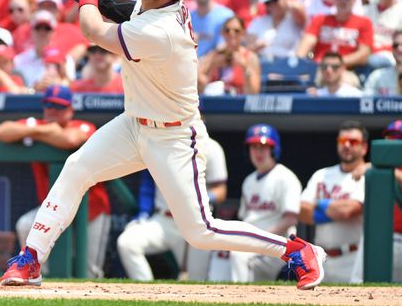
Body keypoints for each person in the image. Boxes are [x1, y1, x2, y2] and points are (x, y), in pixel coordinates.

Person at [0, 0, 326, 289]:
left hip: (174, 136)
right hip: (133, 124)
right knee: (77, 168)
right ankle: (31, 258)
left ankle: (297, 250)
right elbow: (131, 11)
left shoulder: (162, 31)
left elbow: (93, 31)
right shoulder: (156, 7)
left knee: (201, 231)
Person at [0, 85, 111, 279]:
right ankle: (36, 274)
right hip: (53, 209)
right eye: (49, 105)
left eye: (59, 107)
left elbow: (70, 139)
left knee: (90, 272)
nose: (53, 111)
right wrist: (45, 129)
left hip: (91, 210)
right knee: (25, 224)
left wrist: (36, 131)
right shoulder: (39, 126)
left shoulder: (82, 125)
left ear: (70, 110)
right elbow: (1, 131)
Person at [117, 137, 228, 282]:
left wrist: (199, 199)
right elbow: (148, 183)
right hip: (163, 220)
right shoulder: (158, 143)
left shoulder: (211, 147)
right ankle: (147, 293)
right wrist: (143, 214)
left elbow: (221, 191)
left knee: (196, 281)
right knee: (127, 243)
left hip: (195, 221)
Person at [351, 121, 402, 282]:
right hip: (393, 239)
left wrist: (375, 168)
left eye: (399, 137)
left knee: (371, 244)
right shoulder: (385, 167)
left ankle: (356, 286)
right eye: (389, 136)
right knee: (394, 287)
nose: (392, 140)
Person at [230, 125, 301, 283]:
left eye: (263, 147)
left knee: (239, 256)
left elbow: (290, 219)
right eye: (254, 147)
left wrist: (262, 239)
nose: (258, 152)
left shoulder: (285, 177)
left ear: (273, 150)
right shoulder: (248, 181)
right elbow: (244, 218)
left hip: (279, 245)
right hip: (254, 244)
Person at [299, 121, 367, 283]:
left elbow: (349, 210)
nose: (347, 145)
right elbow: (301, 211)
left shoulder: (367, 175)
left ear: (364, 147)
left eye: (353, 142)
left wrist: (318, 205)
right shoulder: (321, 174)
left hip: (352, 256)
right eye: (342, 141)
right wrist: (334, 209)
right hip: (321, 258)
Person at [296, 0, 373, 69]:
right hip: (319, 69)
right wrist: (297, 61)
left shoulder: (364, 22)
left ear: (354, 0)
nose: (343, 0)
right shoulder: (321, 19)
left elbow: (364, 54)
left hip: (347, 70)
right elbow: (308, 42)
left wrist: (335, 64)